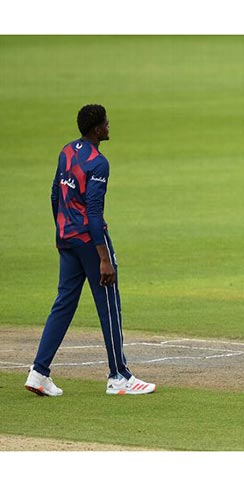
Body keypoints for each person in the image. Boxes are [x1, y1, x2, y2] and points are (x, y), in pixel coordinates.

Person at [25, 104, 156, 397]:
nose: (109, 126)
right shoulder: (98, 163)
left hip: (67, 238)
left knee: (63, 304)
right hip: (89, 241)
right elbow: (94, 213)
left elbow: (54, 194)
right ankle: (119, 376)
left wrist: (61, 230)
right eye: (106, 123)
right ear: (97, 129)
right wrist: (104, 258)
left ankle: (39, 373)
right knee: (108, 305)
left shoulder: (67, 151)